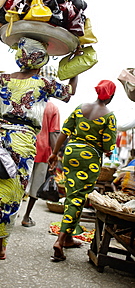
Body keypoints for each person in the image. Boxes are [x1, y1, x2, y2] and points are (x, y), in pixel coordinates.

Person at [0, 37, 78, 275]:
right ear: (40, 60)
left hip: (2, 139)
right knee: (5, 196)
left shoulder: (3, 78)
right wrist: (74, 66)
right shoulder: (43, 83)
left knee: (10, 193)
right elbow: (69, 93)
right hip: (22, 144)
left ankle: (1, 246)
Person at [48, 80, 117, 262]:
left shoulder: (80, 108)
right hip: (89, 158)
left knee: (72, 195)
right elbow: (109, 146)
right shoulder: (109, 116)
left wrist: (55, 154)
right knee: (77, 199)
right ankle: (60, 241)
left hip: (71, 153)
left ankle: (69, 238)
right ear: (110, 95)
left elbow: (65, 131)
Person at [21, 99, 60, 227]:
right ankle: (26, 217)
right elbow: (54, 134)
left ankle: (10, 213)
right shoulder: (53, 108)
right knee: (36, 185)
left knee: (19, 182)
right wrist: (55, 155)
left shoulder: (28, 103)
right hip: (43, 151)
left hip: (24, 146)